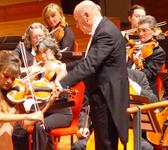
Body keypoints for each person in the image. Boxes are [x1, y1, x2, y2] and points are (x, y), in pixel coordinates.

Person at [58, 1, 130, 149]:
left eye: (77, 21)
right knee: (102, 143)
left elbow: (90, 65)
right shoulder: (103, 29)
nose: (77, 26)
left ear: (86, 15)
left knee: (105, 144)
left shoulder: (106, 32)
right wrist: (65, 67)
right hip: (102, 98)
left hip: (107, 99)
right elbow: (88, 60)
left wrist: (61, 84)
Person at [0, 50, 44, 150]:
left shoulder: (14, 96)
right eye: (6, 76)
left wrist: (47, 105)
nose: (9, 81)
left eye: (13, 78)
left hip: (8, 147)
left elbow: (24, 124)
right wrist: (27, 115)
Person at [31, 37, 72, 150]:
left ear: (52, 50)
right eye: (40, 53)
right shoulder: (42, 68)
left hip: (62, 113)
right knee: (32, 122)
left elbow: (49, 88)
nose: (43, 56)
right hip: (48, 110)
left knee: (40, 126)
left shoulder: (57, 67)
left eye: (45, 52)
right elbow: (35, 88)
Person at [127, 15, 166, 96]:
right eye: (139, 30)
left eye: (144, 30)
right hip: (127, 85)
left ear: (154, 31)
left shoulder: (158, 52)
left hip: (144, 91)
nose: (141, 34)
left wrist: (138, 64)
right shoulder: (134, 45)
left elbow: (147, 76)